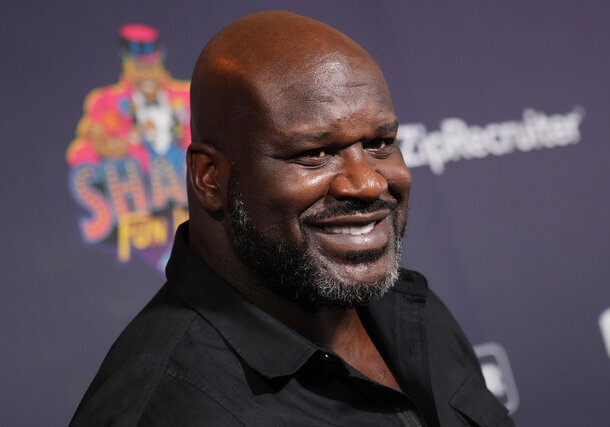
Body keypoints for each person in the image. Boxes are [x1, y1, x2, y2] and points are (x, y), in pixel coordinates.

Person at [71, 11, 514, 427]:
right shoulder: (165, 408)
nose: (367, 183)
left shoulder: (408, 308)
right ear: (210, 178)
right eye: (315, 153)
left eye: (379, 143)